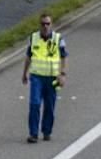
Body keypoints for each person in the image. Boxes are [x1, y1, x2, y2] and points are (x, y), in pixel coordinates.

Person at [21, 14, 67, 143]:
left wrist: (62, 74)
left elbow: (63, 56)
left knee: (49, 106)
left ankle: (46, 131)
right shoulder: (34, 38)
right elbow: (28, 56)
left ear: (51, 24)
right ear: (39, 25)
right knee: (35, 104)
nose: (45, 26)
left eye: (48, 24)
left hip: (52, 78)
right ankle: (33, 133)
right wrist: (24, 73)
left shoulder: (58, 38)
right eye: (43, 24)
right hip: (37, 77)